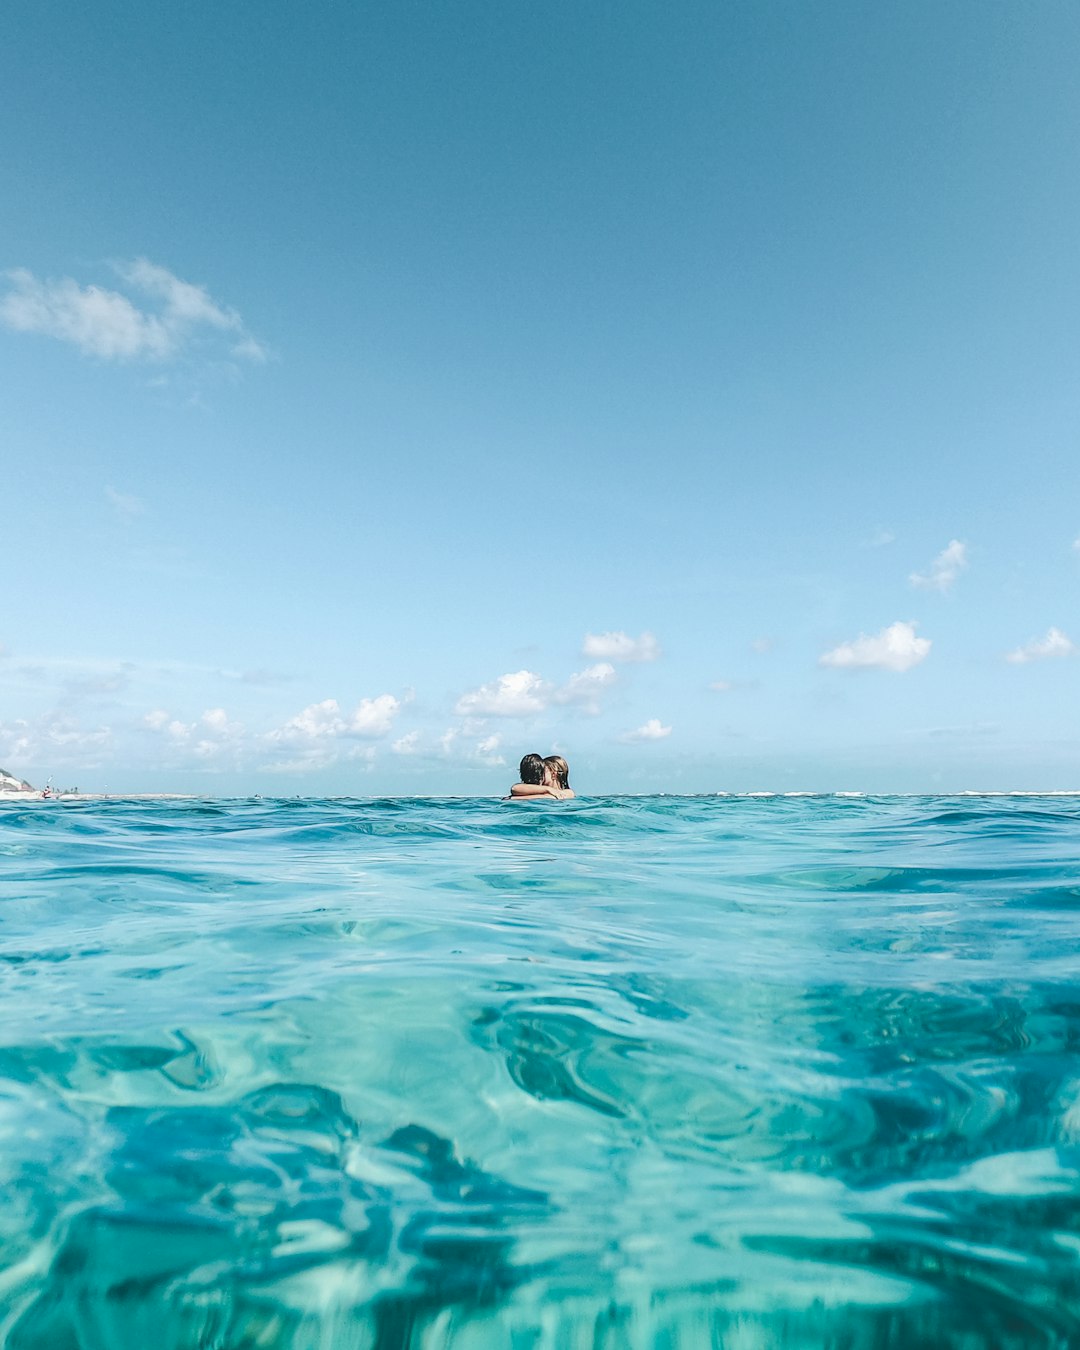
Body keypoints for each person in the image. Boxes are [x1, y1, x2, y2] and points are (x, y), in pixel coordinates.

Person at [508, 753, 573, 800]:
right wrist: (548, 789)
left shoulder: (568, 792)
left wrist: (514, 798)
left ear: (553, 774)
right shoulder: (542, 790)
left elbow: (551, 797)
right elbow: (515, 788)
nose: (538, 774)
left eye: (542, 771)